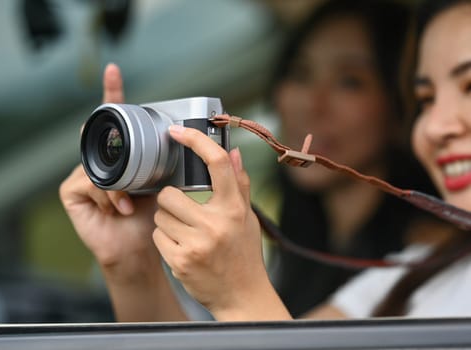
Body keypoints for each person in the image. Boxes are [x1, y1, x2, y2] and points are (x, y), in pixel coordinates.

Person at [59, 0, 471, 321]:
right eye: (427, 98)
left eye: (350, 81)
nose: (436, 125)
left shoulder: (418, 261)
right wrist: (131, 264)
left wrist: (241, 296)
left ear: (395, 111)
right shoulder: (417, 274)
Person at [260, 0, 440, 317]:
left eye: (350, 81)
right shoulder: (296, 247)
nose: (312, 105)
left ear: (402, 107)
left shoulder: (426, 256)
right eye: (301, 73)